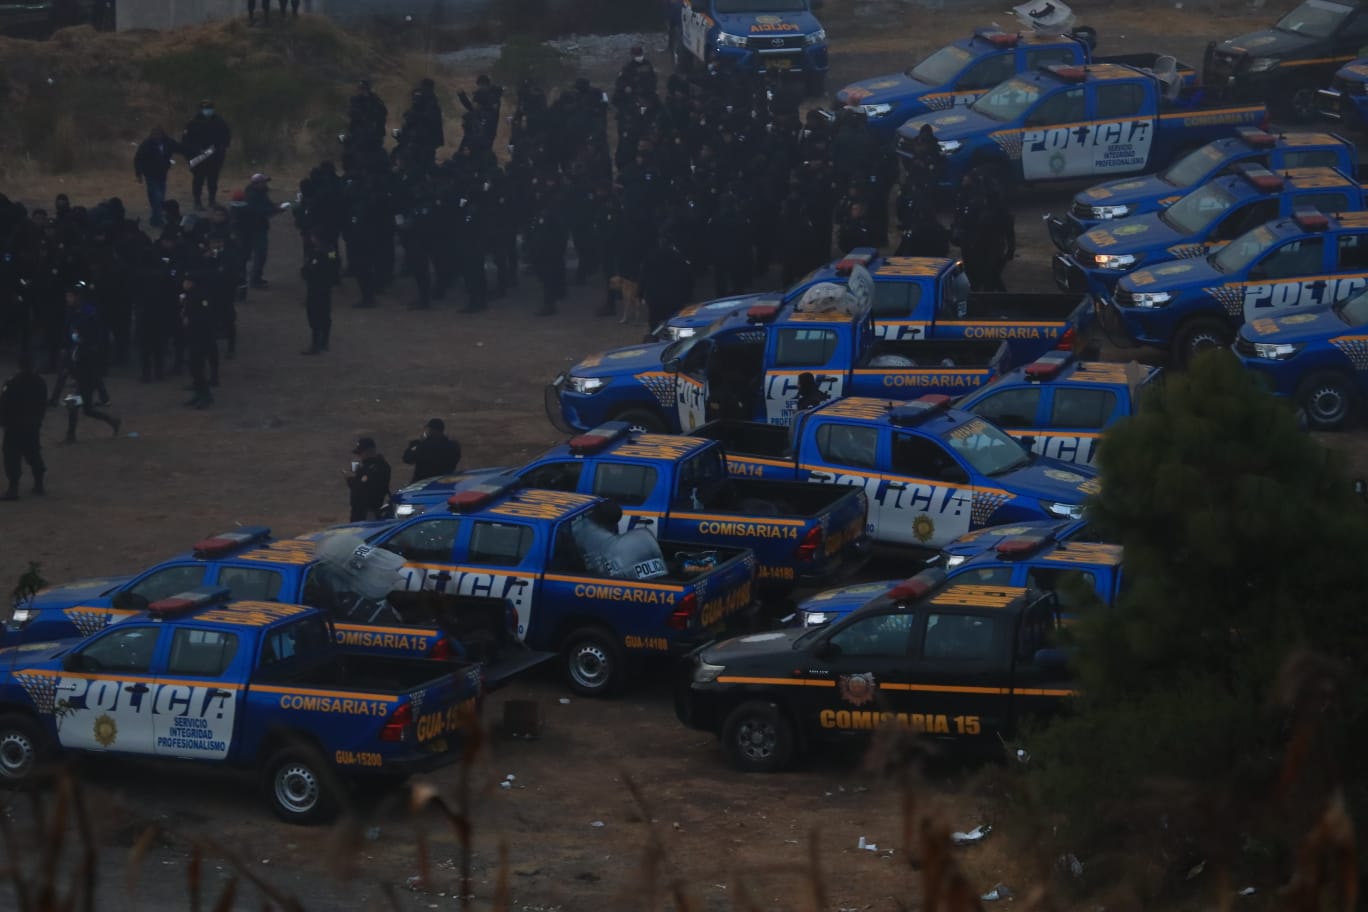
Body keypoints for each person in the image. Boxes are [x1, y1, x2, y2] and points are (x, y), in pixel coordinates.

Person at [0, 353, 47, 500]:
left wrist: (3, 421)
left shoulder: (12, 382)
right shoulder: (40, 381)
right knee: (33, 452)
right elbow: (43, 403)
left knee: (12, 455)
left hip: (15, 424)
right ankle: (39, 484)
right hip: (32, 424)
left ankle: (13, 489)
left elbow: (5, 403)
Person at [181, 100, 231, 210]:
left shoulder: (220, 122)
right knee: (198, 180)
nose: (208, 110)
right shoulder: (193, 123)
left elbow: (226, 137)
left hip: (214, 156)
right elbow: (186, 141)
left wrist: (221, 149)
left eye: (210, 108)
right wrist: (193, 153)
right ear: (201, 109)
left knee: (213, 180)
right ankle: (197, 202)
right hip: (198, 157)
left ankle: (212, 201)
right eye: (205, 108)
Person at [300, 229, 339, 355]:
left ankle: (315, 344)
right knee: (325, 314)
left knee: (314, 315)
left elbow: (310, 270)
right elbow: (334, 263)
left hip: (316, 288)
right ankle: (324, 341)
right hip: (326, 288)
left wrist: (306, 270)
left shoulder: (317, 254)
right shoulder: (331, 251)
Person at [240, 173, 280, 288]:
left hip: (256, 228)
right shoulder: (252, 196)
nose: (265, 184)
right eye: (263, 182)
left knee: (253, 255)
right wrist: (274, 210)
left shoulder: (259, 193)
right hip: (253, 229)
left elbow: (267, 206)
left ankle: (251, 278)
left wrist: (275, 208)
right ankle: (253, 279)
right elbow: (257, 212)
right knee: (256, 255)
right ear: (256, 184)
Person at [134, 127, 179, 228]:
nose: (156, 137)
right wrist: (139, 174)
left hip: (162, 174)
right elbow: (138, 159)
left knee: (160, 197)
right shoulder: (146, 145)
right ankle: (157, 220)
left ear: (162, 135)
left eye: (158, 134)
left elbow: (180, 148)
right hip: (150, 175)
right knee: (157, 197)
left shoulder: (168, 142)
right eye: (154, 135)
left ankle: (155, 219)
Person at [345, 437, 391, 522]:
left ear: (369, 451)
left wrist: (350, 479)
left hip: (368, 511)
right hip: (359, 510)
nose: (359, 456)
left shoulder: (378, 467)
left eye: (361, 453)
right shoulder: (368, 466)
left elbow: (363, 489)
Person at [402, 418, 462, 483]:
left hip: (424, 483)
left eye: (428, 429)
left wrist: (414, 446)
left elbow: (407, 459)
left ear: (432, 430)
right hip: (446, 482)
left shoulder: (423, 446)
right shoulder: (453, 446)